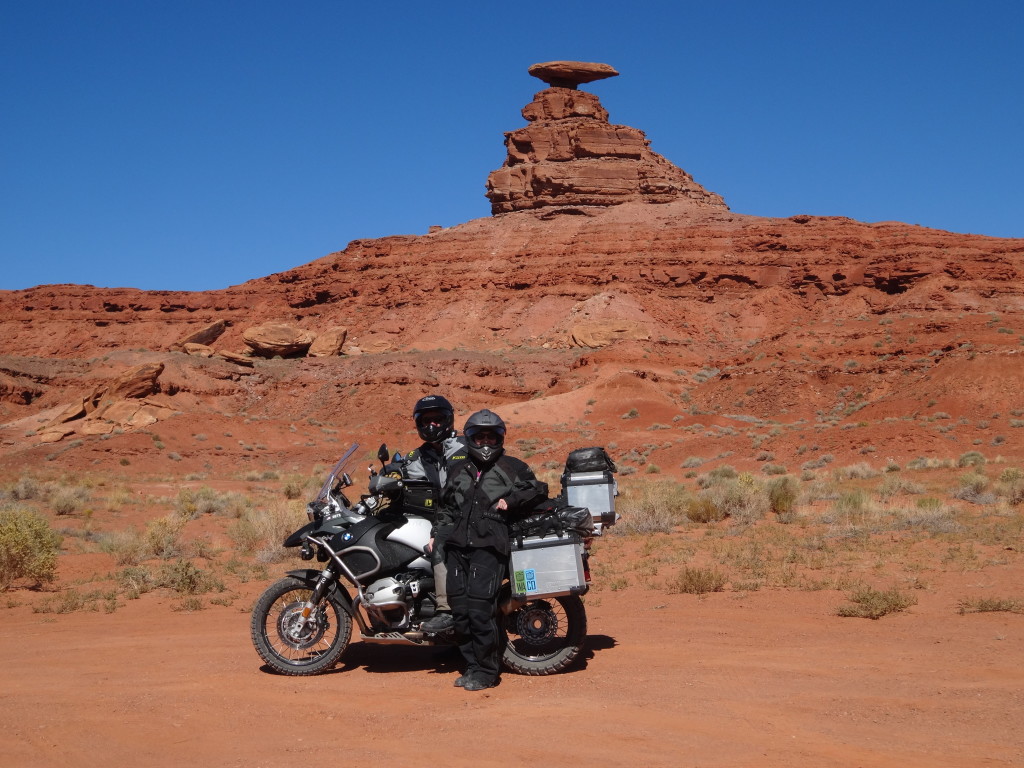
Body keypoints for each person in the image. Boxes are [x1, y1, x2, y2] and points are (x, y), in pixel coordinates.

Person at [433, 409, 547, 691]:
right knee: (460, 612)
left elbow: (539, 489)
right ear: (469, 437)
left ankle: (486, 671)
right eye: (479, 436)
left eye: (491, 436)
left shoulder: (512, 466)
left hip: (490, 545)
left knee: (480, 610)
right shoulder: (459, 468)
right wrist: (438, 536)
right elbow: (446, 507)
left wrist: (512, 499)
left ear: (499, 439)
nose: (485, 442)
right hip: (457, 546)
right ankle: (471, 666)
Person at [397, 395, 466, 634]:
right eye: (427, 421)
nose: (432, 425)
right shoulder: (414, 459)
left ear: (448, 420)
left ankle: (446, 611)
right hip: (434, 518)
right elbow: (405, 488)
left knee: (440, 545)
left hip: (462, 515)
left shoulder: (466, 447)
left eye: (438, 420)